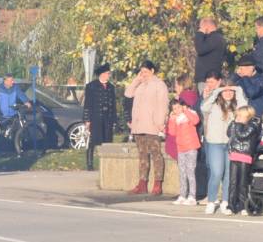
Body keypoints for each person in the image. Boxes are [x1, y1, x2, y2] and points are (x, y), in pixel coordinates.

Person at [124, 60, 169, 196]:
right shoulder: (140, 85)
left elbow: (162, 104)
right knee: (142, 155)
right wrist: (137, 80)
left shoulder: (159, 85)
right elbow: (128, 94)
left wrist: (160, 122)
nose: (144, 74)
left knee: (156, 154)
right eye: (142, 71)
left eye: (146, 71)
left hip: (152, 125)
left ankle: (157, 184)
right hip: (139, 125)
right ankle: (142, 183)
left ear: (152, 71)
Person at [201, 80, 242, 215]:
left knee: (229, 174)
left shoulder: (236, 106)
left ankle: (226, 202)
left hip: (231, 144)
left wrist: (238, 90)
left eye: (231, 91)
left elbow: (245, 108)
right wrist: (217, 91)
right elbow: (203, 107)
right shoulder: (213, 105)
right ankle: (211, 201)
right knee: (217, 173)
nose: (228, 93)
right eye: (225, 90)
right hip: (215, 143)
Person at [224, 105, 260, 216]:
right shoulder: (236, 125)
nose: (238, 118)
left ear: (248, 116)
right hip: (234, 154)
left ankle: (243, 206)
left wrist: (237, 124)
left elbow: (242, 135)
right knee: (233, 182)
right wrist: (233, 123)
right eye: (237, 115)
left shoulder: (253, 125)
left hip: (245, 156)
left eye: (240, 116)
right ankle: (231, 206)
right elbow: (228, 133)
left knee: (243, 183)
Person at [166, 96, 201, 205]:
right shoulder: (175, 119)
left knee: (190, 171)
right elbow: (172, 132)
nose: (177, 110)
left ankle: (192, 196)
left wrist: (186, 110)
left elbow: (196, 121)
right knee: (182, 172)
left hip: (191, 147)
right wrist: (171, 119)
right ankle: (182, 195)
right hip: (181, 148)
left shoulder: (190, 114)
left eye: (178, 107)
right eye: (174, 109)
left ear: (182, 106)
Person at [82, 63, 116, 170]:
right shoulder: (91, 86)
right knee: (92, 141)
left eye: (109, 73)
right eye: (107, 73)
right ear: (102, 74)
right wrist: (87, 120)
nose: (109, 75)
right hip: (95, 118)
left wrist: (114, 120)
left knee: (107, 141)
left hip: (107, 118)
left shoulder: (111, 87)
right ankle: (89, 164)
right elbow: (87, 104)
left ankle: (106, 165)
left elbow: (113, 105)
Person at [194, 17, 230, 83]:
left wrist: (200, 33)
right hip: (207, 78)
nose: (200, 29)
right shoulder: (216, 38)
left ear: (206, 26)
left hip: (208, 79)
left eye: (201, 27)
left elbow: (200, 49)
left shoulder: (215, 38)